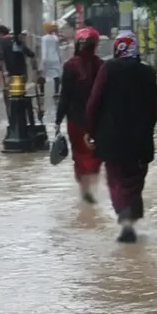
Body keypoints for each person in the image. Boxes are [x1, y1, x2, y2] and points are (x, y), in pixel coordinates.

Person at [85, 31, 157, 244]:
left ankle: (125, 221)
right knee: (134, 181)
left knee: (116, 179)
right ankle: (131, 220)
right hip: (140, 139)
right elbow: (154, 108)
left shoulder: (108, 69)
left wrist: (89, 129)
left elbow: (94, 102)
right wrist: (147, 130)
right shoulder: (148, 73)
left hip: (111, 138)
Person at [54, 26, 104, 204]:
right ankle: (92, 188)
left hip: (75, 121)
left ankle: (84, 189)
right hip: (97, 121)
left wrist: (58, 120)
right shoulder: (101, 66)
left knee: (80, 155)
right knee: (96, 154)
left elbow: (64, 96)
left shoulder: (70, 66)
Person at [40, 22, 63, 97]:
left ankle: (42, 92)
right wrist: (60, 58)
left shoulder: (44, 38)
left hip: (47, 59)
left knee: (43, 75)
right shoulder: (55, 38)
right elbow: (58, 49)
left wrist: (43, 60)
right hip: (55, 58)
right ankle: (56, 92)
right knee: (56, 75)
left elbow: (44, 49)